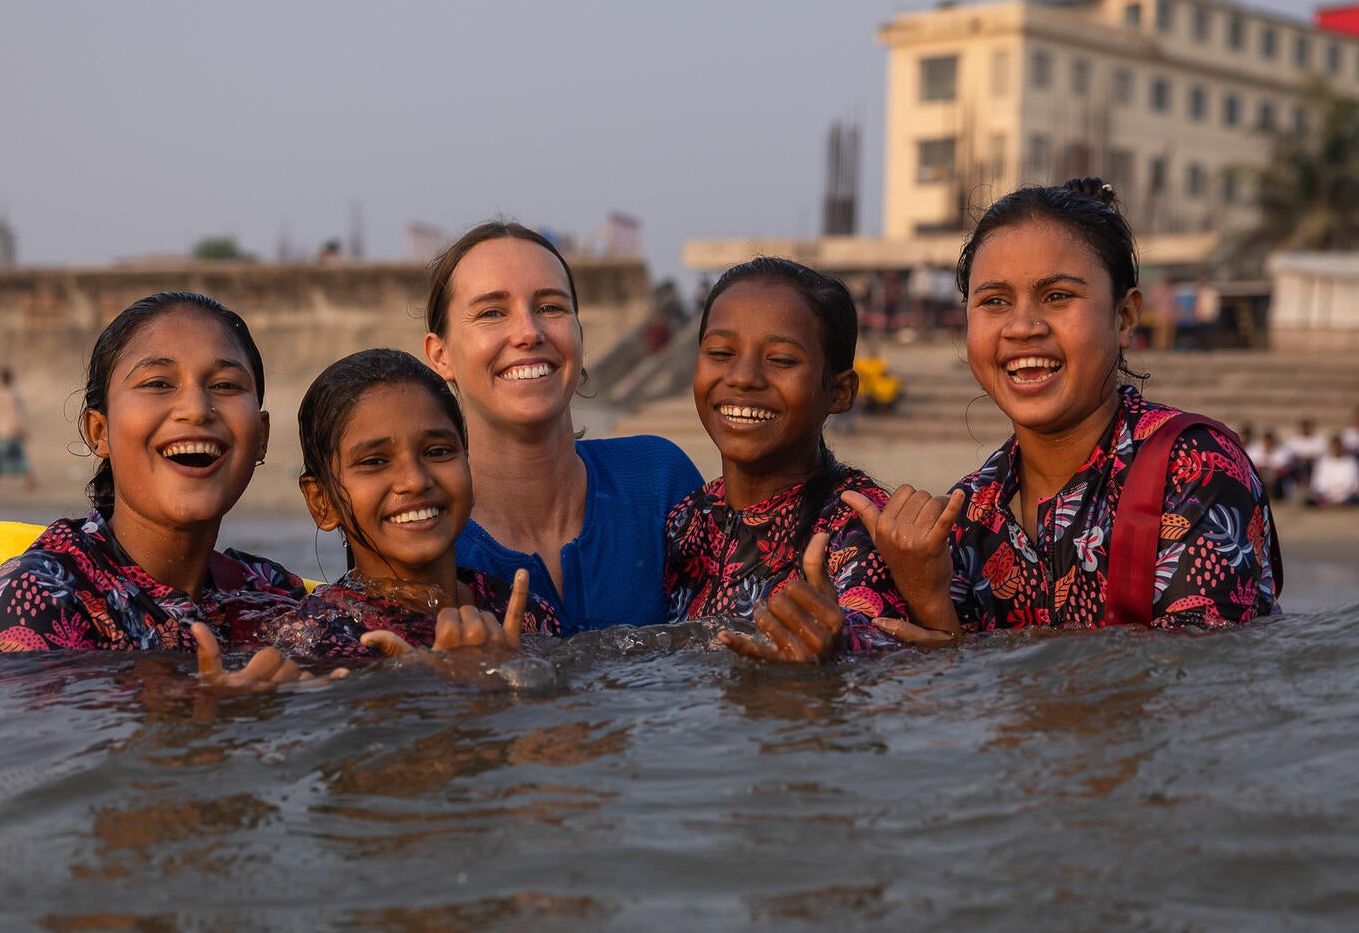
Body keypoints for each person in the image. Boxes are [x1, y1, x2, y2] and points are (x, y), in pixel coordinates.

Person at [846, 178, 1280, 637]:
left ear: (1124, 318)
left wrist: (949, 640)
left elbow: (1193, 686)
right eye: (995, 301)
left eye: (1058, 297)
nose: (1023, 327)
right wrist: (924, 595)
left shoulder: (1193, 466)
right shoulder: (968, 514)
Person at [0, 292, 306, 654]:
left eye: (225, 385)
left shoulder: (273, 594)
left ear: (261, 436)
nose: (197, 410)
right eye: (158, 383)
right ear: (99, 432)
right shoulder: (39, 597)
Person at [421, 220, 702, 632]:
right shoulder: (426, 536)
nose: (529, 333)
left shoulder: (658, 481)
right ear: (440, 355)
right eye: (492, 312)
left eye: (551, 308)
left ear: (579, 335)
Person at [664, 257, 908, 662]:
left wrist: (841, 649)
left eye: (781, 360)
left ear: (839, 392)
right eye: (721, 352)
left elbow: (888, 647)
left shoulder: (858, 529)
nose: (743, 377)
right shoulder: (686, 520)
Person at [261, 348, 560, 664]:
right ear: (322, 502)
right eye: (375, 461)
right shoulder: (320, 639)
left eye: (438, 452)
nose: (416, 481)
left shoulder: (525, 611)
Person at [0, 366, 36, 492]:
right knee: (1, 457)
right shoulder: (11, 393)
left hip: (7, 431)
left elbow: (14, 413)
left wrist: (20, 429)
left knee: (2, 456)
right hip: (5, 430)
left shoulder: (9, 394)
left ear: (4, 379)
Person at [1307, 435, 1359, 507]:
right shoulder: (1323, 462)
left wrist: (1342, 491)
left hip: (1346, 495)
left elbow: (1354, 482)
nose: (1337, 449)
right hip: (1327, 494)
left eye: (1339, 446)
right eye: (1334, 447)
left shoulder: (1351, 462)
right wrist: (1329, 492)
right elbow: (1318, 483)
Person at [1247, 430, 1293, 502]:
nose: (1268, 444)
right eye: (1266, 441)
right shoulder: (1254, 451)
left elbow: (1284, 468)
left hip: (1275, 479)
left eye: (1270, 442)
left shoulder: (1280, 451)